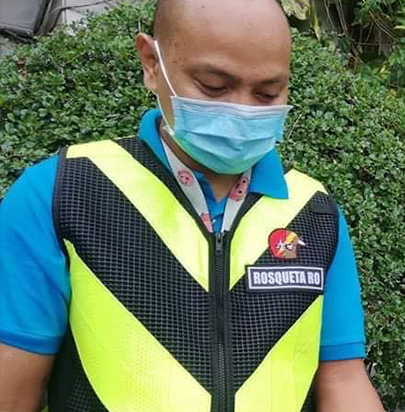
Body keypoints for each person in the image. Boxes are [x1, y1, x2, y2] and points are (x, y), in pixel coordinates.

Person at [0, 0, 384, 411]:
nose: (242, 110)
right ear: (151, 62)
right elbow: (14, 385)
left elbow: (343, 377)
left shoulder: (314, 212)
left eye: (267, 93)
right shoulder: (63, 192)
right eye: (214, 86)